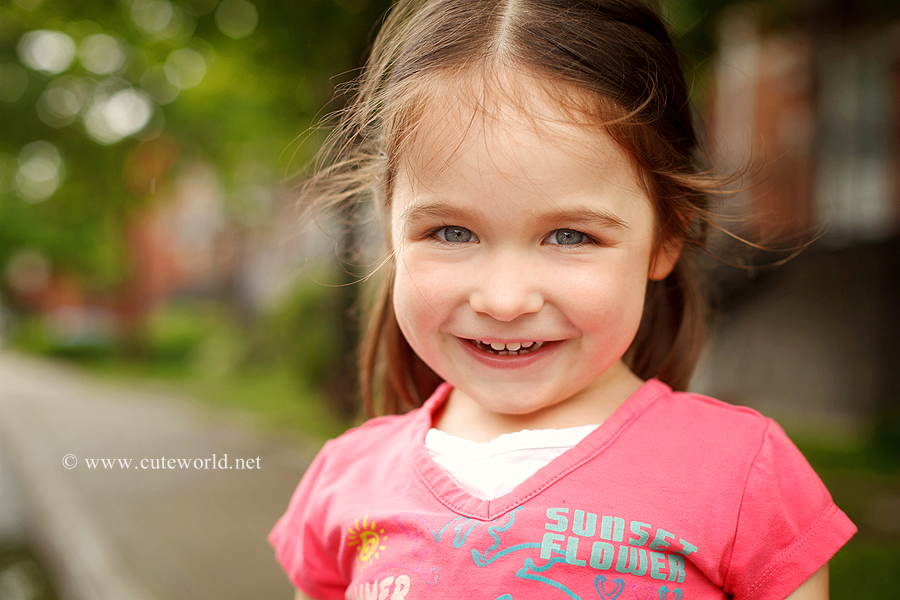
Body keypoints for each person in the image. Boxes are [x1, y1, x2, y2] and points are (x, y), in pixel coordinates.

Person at [270, 0, 856, 598]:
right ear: (390, 229)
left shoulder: (745, 478)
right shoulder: (343, 482)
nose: (504, 300)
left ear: (666, 236)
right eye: (451, 233)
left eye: (570, 236)